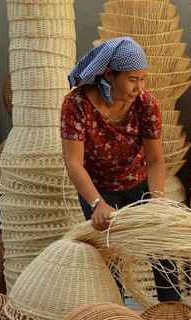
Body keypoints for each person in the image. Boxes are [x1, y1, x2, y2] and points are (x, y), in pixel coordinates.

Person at [61, 36, 179, 302]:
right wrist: (97, 203)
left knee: (162, 245)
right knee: (109, 256)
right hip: (98, 189)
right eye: (132, 79)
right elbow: (73, 164)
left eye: (143, 79)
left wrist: (156, 200)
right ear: (108, 75)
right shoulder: (76, 105)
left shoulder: (145, 103)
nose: (139, 87)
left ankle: (173, 312)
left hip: (138, 183)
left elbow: (156, 160)